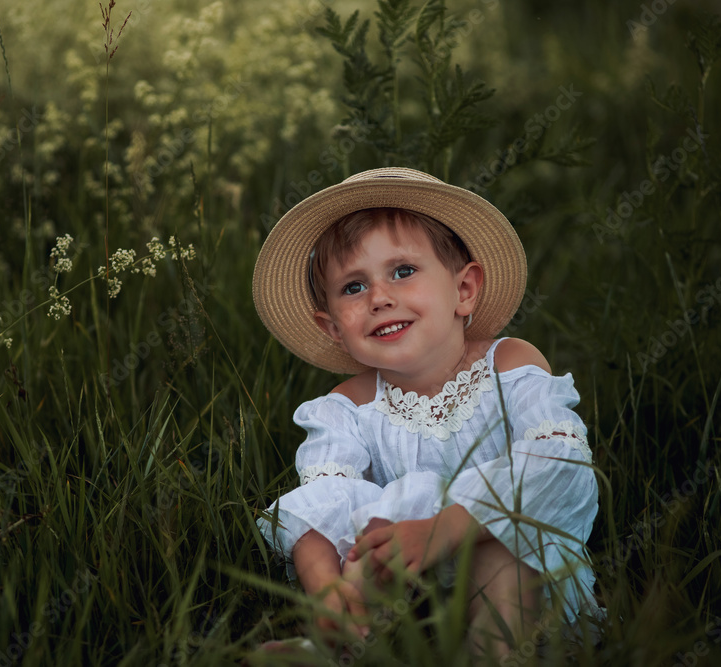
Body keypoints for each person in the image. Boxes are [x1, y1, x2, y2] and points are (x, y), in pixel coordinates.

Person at [252, 167, 600, 656]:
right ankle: (339, 646)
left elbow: (557, 464)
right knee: (368, 540)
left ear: (464, 290)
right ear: (332, 327)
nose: (379, 297)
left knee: (499, 551)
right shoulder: (345, 407)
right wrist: (326, 588)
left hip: (519, 580)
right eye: (353, 287)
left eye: (402, 271)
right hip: (412, 592)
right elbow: (322, 502)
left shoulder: (509, 365)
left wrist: (444, 529)